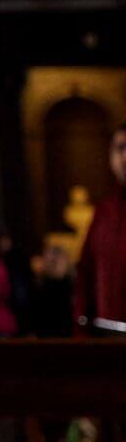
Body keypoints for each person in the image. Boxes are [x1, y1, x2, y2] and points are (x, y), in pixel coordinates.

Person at [76, 126, 126, 336]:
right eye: (120, 148)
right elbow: (86, 272)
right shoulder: (104, 211)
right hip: (108, 335)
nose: (125, 156)